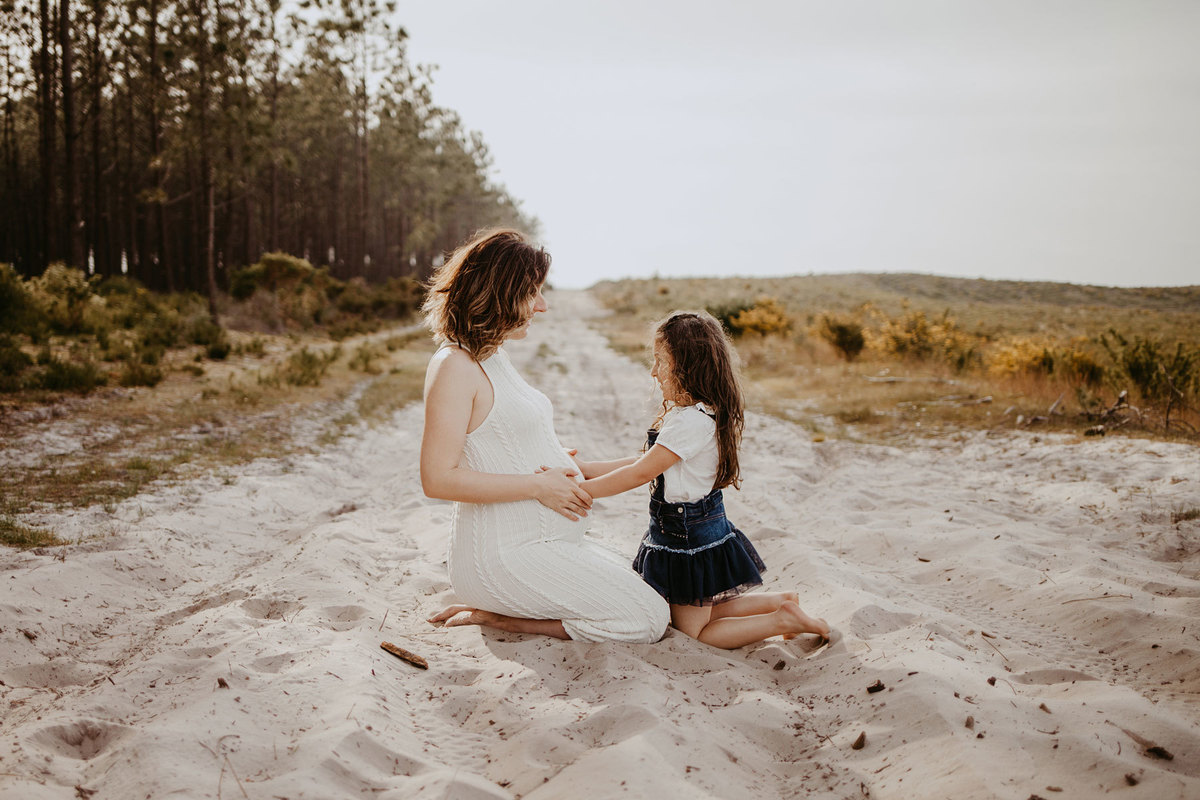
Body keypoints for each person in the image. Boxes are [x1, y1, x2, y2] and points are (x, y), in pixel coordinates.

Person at [420, 228, 670, 643]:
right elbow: (437, 479)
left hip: (543, 541)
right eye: (532, 292)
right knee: (648, 619)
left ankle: (507, 608)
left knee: (655, 592)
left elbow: (501, 439)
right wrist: (537, 484)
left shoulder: (491, 356)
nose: (542, 306)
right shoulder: (454, 367)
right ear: (500, 292)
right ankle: (501, 618)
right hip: (502, 556)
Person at [573, 310, 830, 649]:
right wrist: (590, 468)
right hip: (696, 524)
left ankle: (779, 619)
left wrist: (581, 491)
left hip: (686, 535)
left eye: (660, 362)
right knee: (692, 610)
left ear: (687, 366)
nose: (654, 372)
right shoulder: (697, 413)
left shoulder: (689, 422)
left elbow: (641, 472)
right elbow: (648, 461)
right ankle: (779, 601)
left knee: (694, 632)